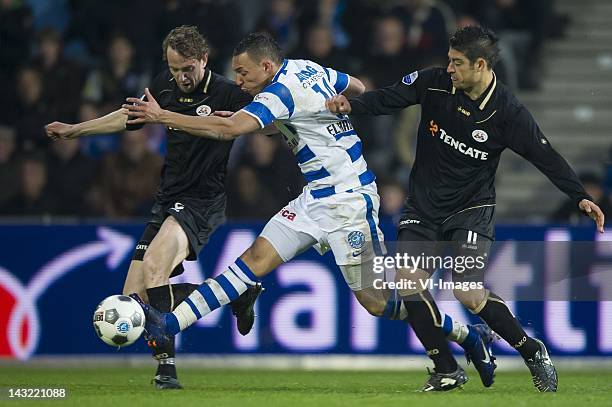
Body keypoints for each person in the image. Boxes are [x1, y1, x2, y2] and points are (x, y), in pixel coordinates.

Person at [124, 32, 497, 391]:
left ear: (267, 66)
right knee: (253, 260)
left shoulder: (278, 93)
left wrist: (161, 117)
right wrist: (318, 113)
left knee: (376, 301)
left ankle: (468, 335)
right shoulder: (306, 68)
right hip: (314, 197)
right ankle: (171, 322)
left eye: (243, 73)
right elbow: (357, 87)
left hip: (349, 201)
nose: (238, 82)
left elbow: (228, 130)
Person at [326, 25, 606, 392]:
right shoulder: (434, 82)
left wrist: (578, 195)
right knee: (409, 283)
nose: (450, 69)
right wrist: (354, 104)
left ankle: (531, 350)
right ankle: (446, 367)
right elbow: (390, 98)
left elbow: (544, 154)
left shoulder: (508, 112)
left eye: (457, 63)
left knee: (467, 292)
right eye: (448, 61)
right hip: (423, 205)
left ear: (480, 65)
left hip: (471, 209)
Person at [45, 25, 263, 390]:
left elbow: (260, 125)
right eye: (175, 68)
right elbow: (128, 116)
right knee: (134, 300)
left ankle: (166, 368)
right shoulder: (163, 85)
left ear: (204, 60)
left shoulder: (228, 92)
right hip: (167, 199)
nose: (181, 77)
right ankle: (236, 293)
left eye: (188, 68)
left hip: (202, 200)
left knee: (155, 265)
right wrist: (74, 130)